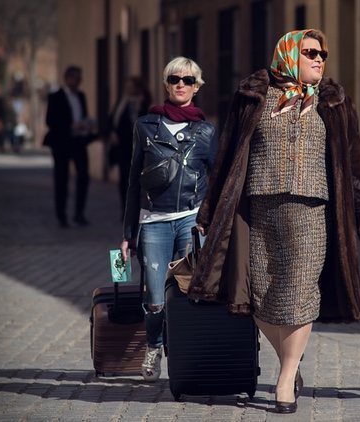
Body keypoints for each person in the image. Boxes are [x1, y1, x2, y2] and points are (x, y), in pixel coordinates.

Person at [189, 29, 360, 414]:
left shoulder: (333, 103)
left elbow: (355, 163)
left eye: (323, 54)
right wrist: (209, 211)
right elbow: (227, 157)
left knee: (300, 294)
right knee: (261, 295)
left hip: (313, 211)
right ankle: (292, 360)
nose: (320, 59)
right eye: (311, 52)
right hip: (259, 210)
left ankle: (284, 379)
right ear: (288, 55)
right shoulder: (253, 97)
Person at [119, 57, 215, 382]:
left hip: (190, 222)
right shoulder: (145, 125)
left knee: (186, 295)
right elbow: (133, 180)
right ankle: (154, 344)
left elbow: (217, 182)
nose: (180, 84)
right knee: (155, 299)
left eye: (188, 80)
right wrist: (127, 232)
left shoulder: (206, 132)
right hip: (153, 222)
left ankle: (181, 353)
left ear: (197, 86)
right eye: (174, 78)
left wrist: (210, 221)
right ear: (166, 83)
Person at [44, 66, 95, 228]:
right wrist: (71, 125)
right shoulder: (56, 97)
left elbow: (83, 115)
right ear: (67, 79)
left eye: (80, 78)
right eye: (76, 78)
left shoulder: (81, 96)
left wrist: (86, 125)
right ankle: (62, 215)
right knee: (61, 179)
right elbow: (50, 120)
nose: (78, 82)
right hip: (61, 142)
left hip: (78, 142)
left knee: (83, 176)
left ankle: (79, 213)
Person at [109, 76, 151, 218]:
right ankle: (125, 209)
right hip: (123, 148)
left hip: (140, 148)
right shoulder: (122, 103)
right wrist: (113, 133)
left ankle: (139, 208)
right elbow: (112, 121)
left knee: (139, 180)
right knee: (124, 179)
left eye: (131, 86)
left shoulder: (144, 103)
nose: (128, 89)